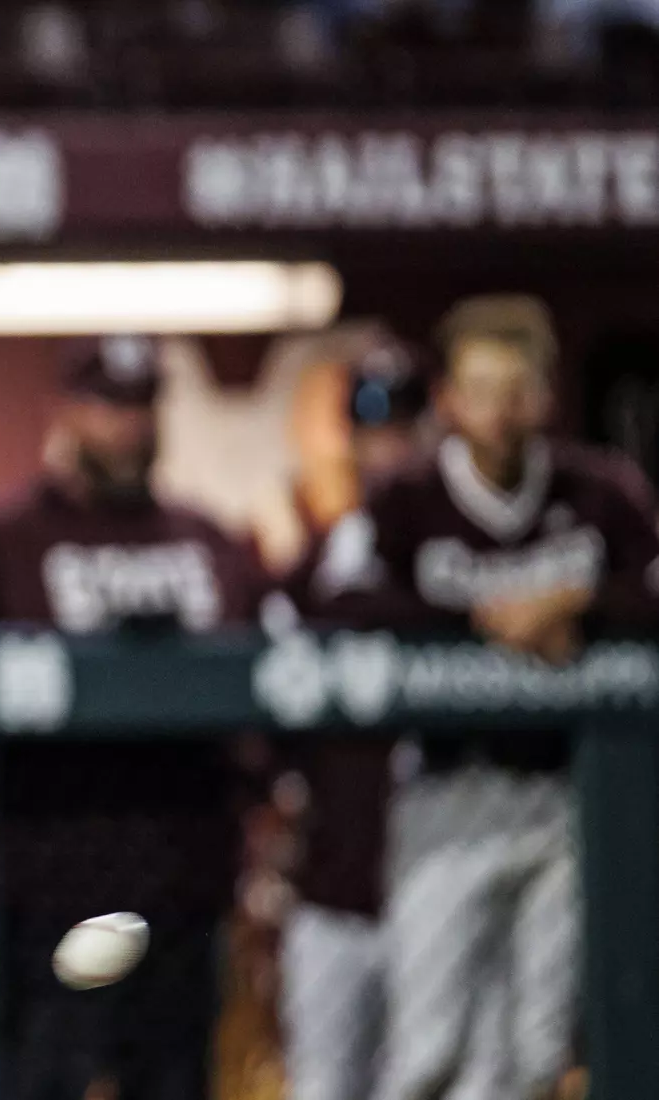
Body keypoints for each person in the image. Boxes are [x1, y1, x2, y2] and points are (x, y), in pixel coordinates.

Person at [308, 295, 659, 1100]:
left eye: (518, 390)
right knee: (427, 1054)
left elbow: (649, 586)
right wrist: (480, 618)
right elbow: (336, 601)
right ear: (449, 400)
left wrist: (576, 603)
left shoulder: (600, 492)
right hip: (446, 792)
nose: (500, 412)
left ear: (545, 396)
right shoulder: (407, 497)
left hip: (561, 799)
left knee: (534, 1055)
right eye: (482, 390)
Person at [0, 335, 268, 1100]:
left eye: (142, 405)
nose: (129, 426)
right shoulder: (5, 539)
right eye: (108, 406)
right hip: (45, 888)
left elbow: (265, 693)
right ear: (65, 413)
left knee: (176, 1083)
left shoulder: (208, 540)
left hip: (183, 882)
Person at [274, 333, 432, 1100]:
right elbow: (268, 726)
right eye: (373, 431)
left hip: (440, 875)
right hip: (335, 885)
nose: (389, 450)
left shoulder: (465, 557)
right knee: (325, 1085)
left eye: (403, 429)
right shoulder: (315, 569)